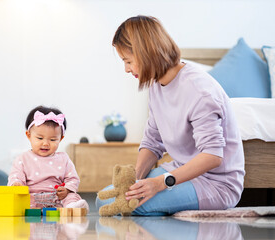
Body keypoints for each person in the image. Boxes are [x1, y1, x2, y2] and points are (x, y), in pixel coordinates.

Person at [96, 16, 245, 216]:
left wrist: (159, 184)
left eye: (128, 61)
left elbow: (212, 156)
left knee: (131, 208)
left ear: (145, 53)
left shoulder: (200, 91)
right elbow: (152, 142)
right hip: (179, 172)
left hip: (215, 184)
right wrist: (135, 181)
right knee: (105, 200)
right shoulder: (157, 86)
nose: (126, 69)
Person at [8, 105, 89, 210]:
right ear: (29, 136)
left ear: (60, 139)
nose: (46, 143)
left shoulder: (63, 159)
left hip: (56, 198)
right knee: (14, 198)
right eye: (40, 138)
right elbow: (16, 175)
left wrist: (67, 190)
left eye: (52, 139)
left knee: (71, 196)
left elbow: (73, 178)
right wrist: (17, 183)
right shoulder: (22, 159)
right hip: (31, 199)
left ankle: (72, 207)